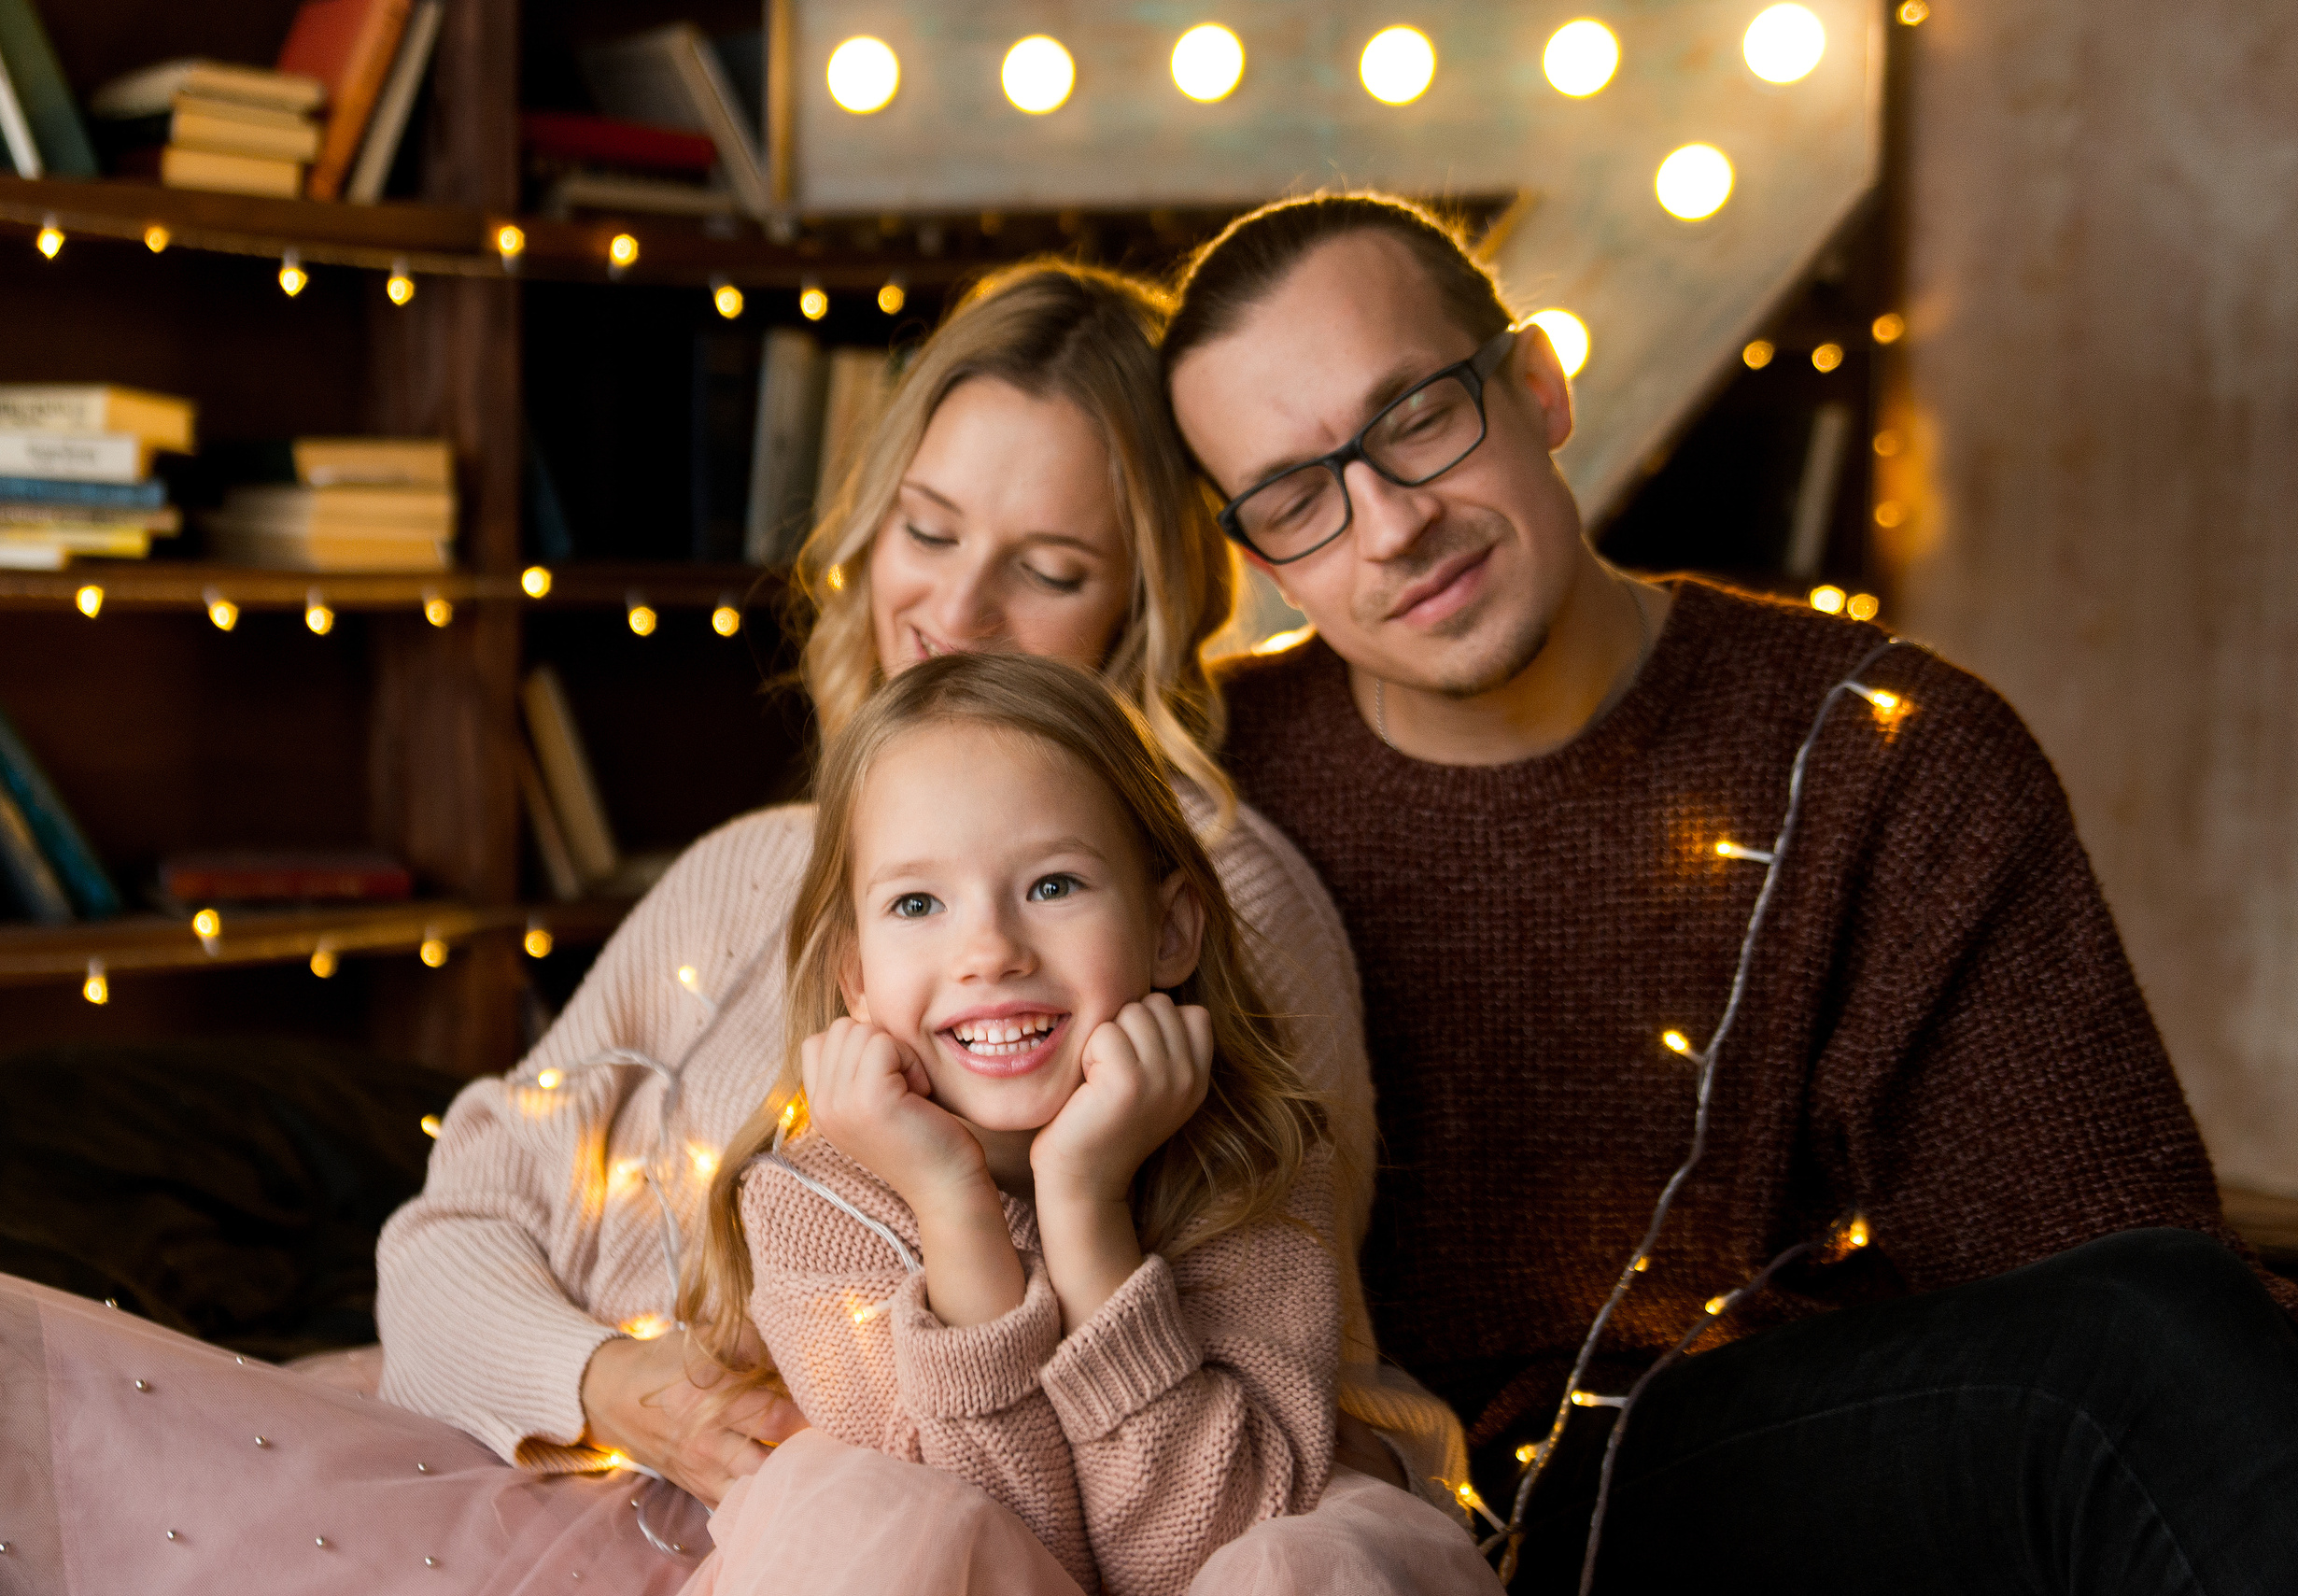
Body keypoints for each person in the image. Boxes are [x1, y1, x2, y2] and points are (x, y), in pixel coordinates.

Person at [0, 262, 1486, 1594]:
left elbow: (1247, 1378)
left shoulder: (1212, 893)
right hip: (557, 1465)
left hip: (855, 1519)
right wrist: (599, 1378)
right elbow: (455, 1224)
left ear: (1146, 604)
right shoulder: (756, 866)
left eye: (1049, 569)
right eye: (929, 527)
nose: (955, 606)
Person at [1163, 191, 2298, 1593]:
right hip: (1389, 1520)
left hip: (1787, 1467)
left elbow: (2113, 1286)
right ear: (1259, 560)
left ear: (1539, 387)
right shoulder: (1198, 786)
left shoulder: (1880, 751)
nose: (1388, 524)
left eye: (1419, 418)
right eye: (1299, 495)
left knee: (2152, 1334)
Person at [683, 652, 1341, 1596]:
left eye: (1053, 884)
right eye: (917, 902)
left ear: (1170, 930)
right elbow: (968, 1550)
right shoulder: (810, 1203)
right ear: (855, 975)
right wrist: (952, 1203)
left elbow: (1205, 1551)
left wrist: (1085, 1202)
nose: (988, 951)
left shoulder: (1252, 1161)